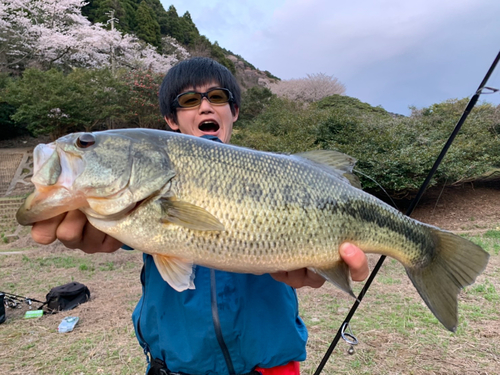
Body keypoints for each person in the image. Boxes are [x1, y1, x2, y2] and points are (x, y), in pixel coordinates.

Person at [31, 57, 369, 375]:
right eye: (189, 100)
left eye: (217, 97)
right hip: (175, 366)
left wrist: (323, 263)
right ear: (171, 120)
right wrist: (93, 220)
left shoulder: (271, 172)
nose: (205, 106)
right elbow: (119, 232)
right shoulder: (141, 190)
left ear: (234, 111)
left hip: (272, 364)